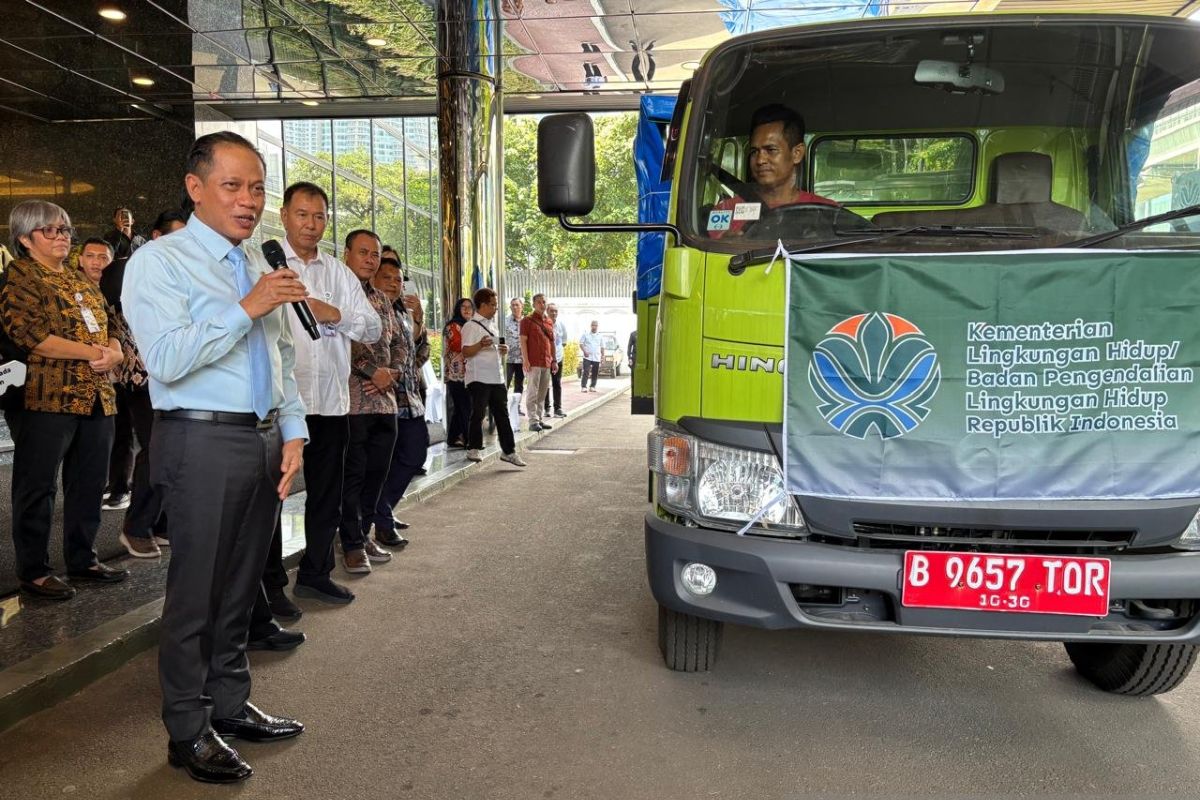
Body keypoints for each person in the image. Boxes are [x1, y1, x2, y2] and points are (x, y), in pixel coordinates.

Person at [123, 131, 308, 784]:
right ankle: (187, 728)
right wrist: (246, 308)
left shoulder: (254, 263)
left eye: (257, 187)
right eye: (232, 186)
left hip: (263, 438)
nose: (248, 200)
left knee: (239, 585)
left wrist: (292, 431)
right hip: (199, 438)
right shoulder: (160, 262)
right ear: (195, 187)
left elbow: (279, 356)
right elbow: (167, 358)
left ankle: (229, 704)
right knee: (196, 593)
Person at [0, 203, 128, 601]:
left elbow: (111, 321)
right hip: (44, 397)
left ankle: (83, 559)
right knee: (37, 487)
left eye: (65, 229)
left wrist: (114, 350)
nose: (62, 237)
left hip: (96, 395)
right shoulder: (19, 277)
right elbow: (30, 335)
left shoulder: (79, 279)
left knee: (89, 482)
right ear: (25, 238)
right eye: (50, 230)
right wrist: (94, 353)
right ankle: (34, 571)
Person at [274, 187, 381, 608]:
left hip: (331, 404)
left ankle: (315, 574)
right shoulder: (263, 264)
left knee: (326, 496)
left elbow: (372, 327)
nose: (311, 224)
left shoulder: (338, 272)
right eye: (302, 214)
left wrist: (334, 313)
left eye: (319, 216)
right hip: (281, 403)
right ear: (284, 215)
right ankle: (270, 588)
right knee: (273, 497)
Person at [339, 236, 401, 575]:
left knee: (377, 474)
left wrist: (392, 372)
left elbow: (400, 342)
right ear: (347, 254)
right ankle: (350, 544)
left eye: (375, 254)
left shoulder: (381, 299)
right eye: (363, 253)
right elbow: (341, 341)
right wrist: (371, 372)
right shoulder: (338, 292)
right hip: (352, 403)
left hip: (386, 402)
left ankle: (363, 535)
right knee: (353, 476)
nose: (370, 259)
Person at [708, 104, 837, 240]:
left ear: (797, 153)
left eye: (771, 150)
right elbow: (706, 249)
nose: (760, 160)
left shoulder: (828, 213)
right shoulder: (724, 212)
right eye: (754, 152)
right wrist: (723, 245)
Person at [370, 258, 429, 545]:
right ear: (374, 280)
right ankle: (381, 518)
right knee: (382, 464)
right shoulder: (370, 310)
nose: (394, 284)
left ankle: (382, 509)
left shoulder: (401, 312)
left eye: (398, 279)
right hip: (381, 398)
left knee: (415, 454)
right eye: (387, 278)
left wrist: (418, 319)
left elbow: (419, 352)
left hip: (409, 398)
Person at [462, 287, 526, 467]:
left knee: (502, 414)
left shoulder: (493, 325)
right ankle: (473, 448)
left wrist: (502, 350)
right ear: (482, 305)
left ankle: (509, 451)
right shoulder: (470, 326)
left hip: (497, 377)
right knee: (478, 413)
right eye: (493, 304)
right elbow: (465, 352)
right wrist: (480, 345)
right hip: (479, 377)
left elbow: (495, 349)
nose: (496, 308)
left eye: (496, 305)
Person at [520, 292, 556, 432]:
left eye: (544, 302)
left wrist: (553, 360)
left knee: (542, 393)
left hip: (546, 361)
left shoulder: (549, 321)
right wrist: (525, 360)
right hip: (533, 362)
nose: (542, 304)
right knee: (532, 392)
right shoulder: (527, 321)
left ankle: (539, 418)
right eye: (539, 302)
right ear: (534, 304)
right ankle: (533, 420)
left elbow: (551, 342)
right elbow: (523, 341)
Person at [443, 297, 474, 447]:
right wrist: (477, 342)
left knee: (461, 407)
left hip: (469, 372)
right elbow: (457, 345)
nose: (467, 310)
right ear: (458, 309)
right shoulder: (453, 325)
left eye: (470, 307)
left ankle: (453, 438)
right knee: (465, 406)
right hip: (455, 374)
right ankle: (470, 440)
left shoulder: (471, 325)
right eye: (463, 307)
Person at [543, 303, 567, 418]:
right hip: (546, 359)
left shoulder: (561, 325)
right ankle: (546, 408)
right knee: (545, 384)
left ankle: (558, 409)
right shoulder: (543, 324)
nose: (554, 313)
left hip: (558, 359)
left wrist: (557, 355)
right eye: (551, 311)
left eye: (556, 311)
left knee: (557, 383)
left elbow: (564, 342)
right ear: (547, 311)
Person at [504, 296, 524, 404]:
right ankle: (502, 407)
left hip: (522, 359)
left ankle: (516, 407)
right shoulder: (505, 322)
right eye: (513, 305)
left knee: (519, 385)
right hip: (508, 359)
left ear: (522, 306)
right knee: (505, 383)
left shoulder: (526, 322)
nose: (515, 307)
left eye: (517, 305)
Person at [579, 320, 603, 392]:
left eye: (595, 325)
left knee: (595, 372)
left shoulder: (600, 336)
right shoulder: (585, 334)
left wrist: (603, 356)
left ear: (597, 326)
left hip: (596, 357)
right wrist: (584, 351)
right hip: (587, 357)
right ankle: (584, 387)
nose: (594, 327)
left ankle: (592, 386)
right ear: (591, 326)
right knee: (586, 371)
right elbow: (581, 344)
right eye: (593, 325)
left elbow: (602, 347)